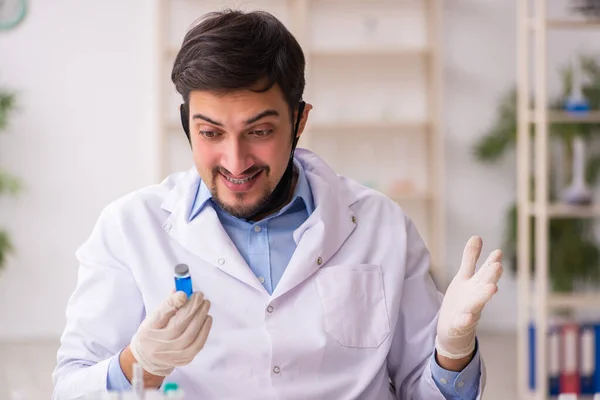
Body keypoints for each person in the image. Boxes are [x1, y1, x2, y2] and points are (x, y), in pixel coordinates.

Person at [52, 8, 503, 400]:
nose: (235, 161)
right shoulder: (129, 230)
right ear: (187, 123)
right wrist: (138, 364)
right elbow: (68, 388)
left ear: (299, 119)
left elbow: (421, 393)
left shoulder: (380, 225)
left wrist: (453, 349)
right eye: (210, 133)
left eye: (260, 131)